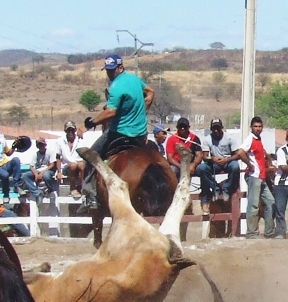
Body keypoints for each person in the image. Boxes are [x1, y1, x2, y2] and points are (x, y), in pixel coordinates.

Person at [79, 54, 155, 211]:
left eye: (112, 70)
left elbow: (110, 112)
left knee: (90, 157)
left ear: (121, 67)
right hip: (140, 134)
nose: (110, 73)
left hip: (120, 133)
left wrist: (90, 124)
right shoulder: (135, 80)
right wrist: (144, 111)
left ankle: (90, 196)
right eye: (108, 70)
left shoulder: (115, 87)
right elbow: (150, 92)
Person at [237, 116, 275, 239]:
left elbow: (263, 154)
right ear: (251, 127)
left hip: (261, 176)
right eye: (255, 126)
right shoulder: (250, 139)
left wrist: (268, 160)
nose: (258, 128)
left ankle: (269, 232)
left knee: (270, 202)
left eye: (259, 126)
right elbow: (240, 152)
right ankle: (252, 233)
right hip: (254, 176)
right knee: (253, 205)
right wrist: (249, 164)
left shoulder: (258, 140)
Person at [165, 117, 205, 210]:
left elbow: (199, 155)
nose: (182, 129)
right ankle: (172, 196)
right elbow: (170, 158)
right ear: (177, 127)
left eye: (184, 127)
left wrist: (193, 165)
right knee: (172, 171)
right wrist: (182, 167)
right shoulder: (172, 139)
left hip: (191, 166)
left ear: (188, 127)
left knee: (204, 169)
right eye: (180, 127)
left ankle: (204, 195)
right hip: (177, 165)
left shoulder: (194, 138)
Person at [200, 118, 242, 203]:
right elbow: (204, 156)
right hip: (214, 163)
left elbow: (237, 155)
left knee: (235, 166)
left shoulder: (230, 138)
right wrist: (212, 158)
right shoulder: (207, 139)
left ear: (222, 128)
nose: (216, 130)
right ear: (211, 129)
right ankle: (216, 188)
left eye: (218, 128)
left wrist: (227, 160)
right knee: (201, 168)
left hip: (228, 162)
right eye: (214, 128)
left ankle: (226, 189)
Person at [22, 137, 57, 203]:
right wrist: (35, 174)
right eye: (39, 145)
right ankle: (37, 192)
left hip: (49, 170)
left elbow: (52, 164)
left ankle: (50, 189)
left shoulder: (50, 152)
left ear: (45, 145)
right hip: (38, 170)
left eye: (42, 144)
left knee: (46, 176)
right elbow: (31, 166)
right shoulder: (36, 154)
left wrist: (42, 173)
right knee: (25, 176)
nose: (41, 146)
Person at [55, 121, 84, 198]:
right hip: (67, 167)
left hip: (79, 165)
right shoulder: (60, 141)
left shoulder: (80, 139)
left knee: (81, 165)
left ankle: (81, 187)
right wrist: (59, 172)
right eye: (68, 130)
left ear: (75, 130)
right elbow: (58, 157)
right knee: (73, 165)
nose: (70, 132)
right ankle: (73, 188)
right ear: (65, 131)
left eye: (72, 130)